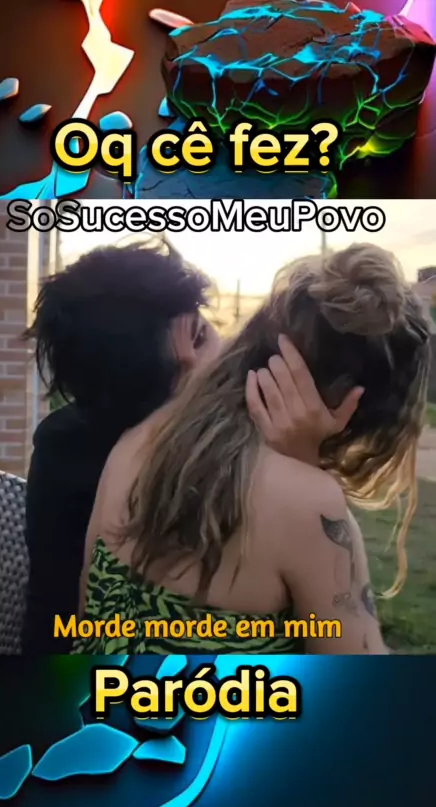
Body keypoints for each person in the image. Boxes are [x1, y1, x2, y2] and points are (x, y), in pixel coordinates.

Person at [75, 243, 430, 656]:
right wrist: (310, 478)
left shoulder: (141, 435)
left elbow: (86, 617)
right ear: (360, 405)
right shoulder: (308, 503)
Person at [23, 237, 360, 653]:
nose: (214, 362)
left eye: (203, 331)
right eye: (200, 338)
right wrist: (305, 470)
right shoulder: (184, 467)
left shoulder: (63, 438)